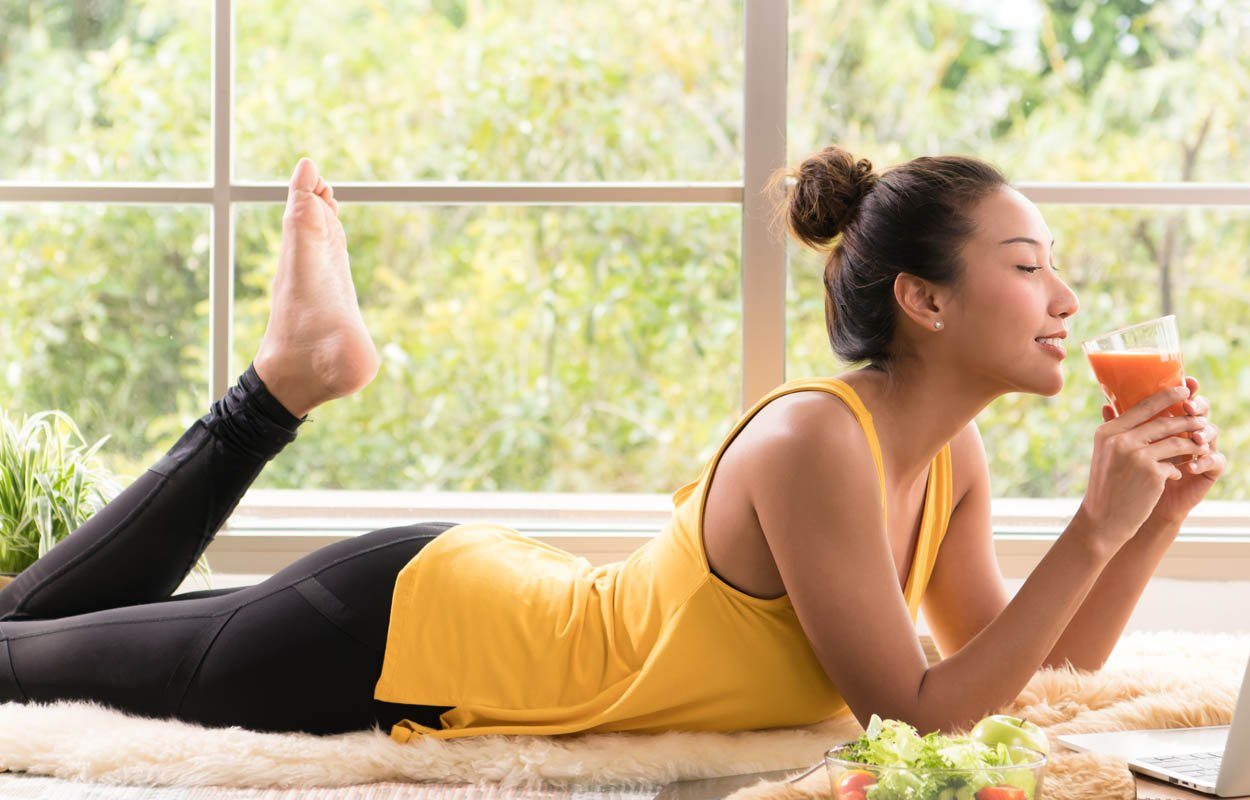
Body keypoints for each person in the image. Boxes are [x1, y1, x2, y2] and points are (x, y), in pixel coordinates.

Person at [0, 148, 1226, 744]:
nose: (1063, 297)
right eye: (1027, 266)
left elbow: (1029, 662)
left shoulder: (949, 460)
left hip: (457, 603)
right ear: (925, 299)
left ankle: (297, 372)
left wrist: (1150, 517)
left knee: (15, 626)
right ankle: (282, 381)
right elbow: (914, 709)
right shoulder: (813, 438)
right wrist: (1091, 525)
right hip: (400, 633)